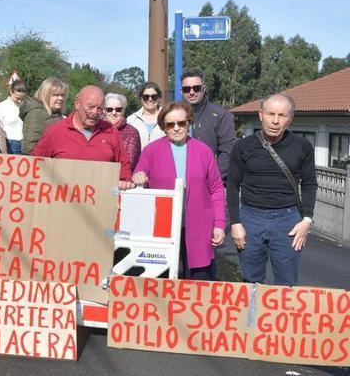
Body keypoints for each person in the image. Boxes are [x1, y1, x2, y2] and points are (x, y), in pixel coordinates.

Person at [227, 94, 316, 286]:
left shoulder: (303, 146)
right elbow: (232, 185)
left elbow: (309, 184)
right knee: (251, 281)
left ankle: (284, 316)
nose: (275, 121)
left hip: (288, 221)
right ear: (261, 115)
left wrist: (307, 220)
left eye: (282, 115)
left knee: (287, 282)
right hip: (250, 218)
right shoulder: (243, 146)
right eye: (271, 114)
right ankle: (253, 316)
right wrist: (235, 223)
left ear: (290, 118)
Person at [132, 101, 226, 280]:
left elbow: (216, 190)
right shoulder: (151, 151)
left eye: (181, 123)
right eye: (170, 124)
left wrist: (219, 224)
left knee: (200, 280)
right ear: (164, 127)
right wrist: (139, 176)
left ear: (188, 123)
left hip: (199, 227)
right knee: (162, 281)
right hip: (163, 228)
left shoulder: (204, 151)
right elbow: (139, 173)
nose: (176, 128)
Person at [31, 85, 134, 189]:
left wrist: (124, 180)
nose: (95, 112)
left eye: (99, 108)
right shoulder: (55, 131)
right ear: (77, 103)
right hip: (62, 200)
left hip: (100, 200)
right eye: (90, 107)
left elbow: (124, 165)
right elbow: (36, 165)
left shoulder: (111, 131)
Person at [181, 68, 237, 180]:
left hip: (210, 181)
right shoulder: (173, 115)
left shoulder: (221, 115)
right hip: (179, 180)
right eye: (187, 89)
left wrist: (212, 178)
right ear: (181, 91)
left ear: (204, 88)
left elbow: (227, 151)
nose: (192, 92)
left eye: (196, 88)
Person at [19, 77, 67, 154]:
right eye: (56, 95)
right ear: (46, 95)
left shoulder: (55, 112)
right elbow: (29, 148)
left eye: (62, 95)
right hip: (42, 162)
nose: (61, 98)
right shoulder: (36, 113)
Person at [104, 92, 141, 169]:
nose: (114, 113)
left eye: (118, 109)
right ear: (104, 111)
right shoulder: (97, 129)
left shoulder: (132, 133)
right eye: (109, 109)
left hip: (122, 178)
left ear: (123, 111)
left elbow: (130, 163)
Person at [127, 81, 166, 149]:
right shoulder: (131, 120)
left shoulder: (167, 117)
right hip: (139, 159)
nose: (150, 99)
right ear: (141, 98)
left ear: (159, 98)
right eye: (146, 97)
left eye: (154, 96)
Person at [0, 80, 27, 154]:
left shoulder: (26, 106)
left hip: (26, 143)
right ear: (11, 92)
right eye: (17, 98)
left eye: (22, 98)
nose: (20, 101)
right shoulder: (1, 107)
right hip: (10, 144)